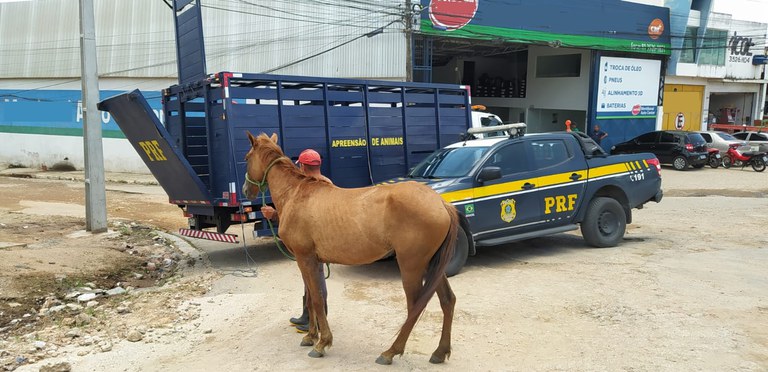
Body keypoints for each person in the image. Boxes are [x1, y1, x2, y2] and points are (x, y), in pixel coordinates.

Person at [260, 149, 331, 333]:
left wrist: (274, 215)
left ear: (301, 166)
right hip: (321, 240)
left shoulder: (308, 188)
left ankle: (314, 319)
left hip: (315, 242)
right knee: (311, 278)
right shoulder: (327, 183)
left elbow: (298, 220)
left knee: (315, 279)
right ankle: (308, 316)